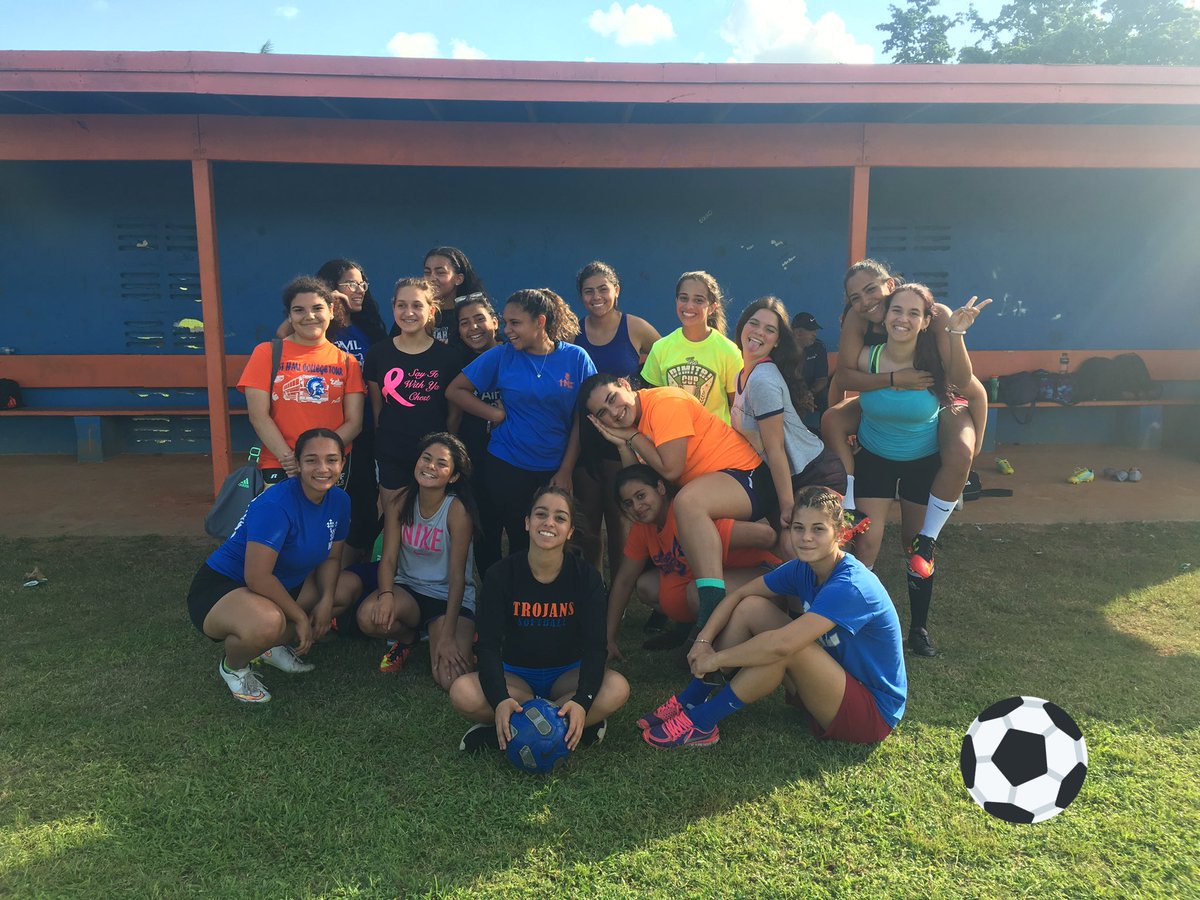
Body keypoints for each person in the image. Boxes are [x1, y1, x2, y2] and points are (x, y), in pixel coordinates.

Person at [638, 486, 907, 749]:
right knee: (751, 607)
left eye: (818, 529)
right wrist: (703, 641)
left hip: (871, 714)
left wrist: (717, 659)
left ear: (839, 534)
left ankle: (702, 723)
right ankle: (691, 699)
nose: (806, 538)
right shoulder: (802, 568)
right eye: (798, 528)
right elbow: (738, 595)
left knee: (786, 648)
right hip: (828, 683)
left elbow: (782, 645)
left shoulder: (850, 585)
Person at [831, 283, 987, 657]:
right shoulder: (867, 357)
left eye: (914, 313)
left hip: (922, 461)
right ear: (884, 317)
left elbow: (971, 387)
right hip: (875, 458)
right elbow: (842, 381)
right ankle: (857, 623)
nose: (903, 318)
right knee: (865, 543)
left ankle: (918, 628)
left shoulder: (933, 362)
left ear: (925, 321)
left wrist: (957, 333)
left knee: (914, 547)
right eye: (897, 310)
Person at [582, 374, 772, 632]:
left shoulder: (663, 403)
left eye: (612, 398)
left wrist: (633, 436)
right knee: (667, 551)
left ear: (625, 384)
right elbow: (637, 481)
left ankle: (711, 604)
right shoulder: (636, 423)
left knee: (686, 504)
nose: (614, 412)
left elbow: (671, 471)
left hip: (745, 476)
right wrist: (624, 444)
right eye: (603, 412)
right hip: (710, 494)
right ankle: (694, 621)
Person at [449, 487, 630, 753]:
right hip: (516, 677)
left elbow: (595, 646)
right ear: (527, 522)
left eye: (560, 518)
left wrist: (582, 700)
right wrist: (500, 699)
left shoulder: (585, 577)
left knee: (617, 687)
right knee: (462, 691)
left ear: (570, 531)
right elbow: (487, 645)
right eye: (541, 514)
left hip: (567, 676)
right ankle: (571, 726)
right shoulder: (501, 574)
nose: (549, 523)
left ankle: (510, 731)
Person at [185, 428, 351, 703]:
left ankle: (269, 647)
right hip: (224, 586)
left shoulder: (341, 501)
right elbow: (257, 577)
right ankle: (234, 667)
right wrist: (300, 617)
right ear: (297, 464)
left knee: (345, 590)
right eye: (311, 460)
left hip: (281, 584)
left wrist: (326, 601)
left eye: (331, 460)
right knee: (268, 622)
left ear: (342, 463)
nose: (323, 469)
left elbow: (333, 558)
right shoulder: (276, 504)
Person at [447, 289, 596, 573]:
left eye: (515, 323)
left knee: (555, 540)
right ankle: (509, 593)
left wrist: (566, 470)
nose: (507, 330)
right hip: (507, 464)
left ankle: (552, 593)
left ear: (540, 321)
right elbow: (455, 390)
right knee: (518, 537)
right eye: (505, 323)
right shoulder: (502, 356)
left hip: (555, 468)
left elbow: (582, 418)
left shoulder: (576, 358)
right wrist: (495, 414)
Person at [345, 433, 479, 690]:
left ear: (453, 476)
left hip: (446, 597)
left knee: (450, 680)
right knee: (368, 617)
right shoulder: (399, 501)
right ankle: (409, 638)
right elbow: (389, 558)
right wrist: (386, 595)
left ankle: (461, 637)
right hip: (408, 590)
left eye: (441, 463)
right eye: (426, 458)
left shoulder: (457, 510)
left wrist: (448, 636)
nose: (430, 466)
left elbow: (457, 576)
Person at [276, 259, 388, 564]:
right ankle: (317, 564)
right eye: (350, 284)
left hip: (360, 430)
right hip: (323, 433)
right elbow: (281, 336)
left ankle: (353, 567)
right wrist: (326, 300)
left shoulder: (369, 327)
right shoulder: (319, 327)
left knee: (363, 504)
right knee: (322, 501)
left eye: (362, 283)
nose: (359, 290)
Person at [607, 464, 780, 659]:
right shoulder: (643, 529)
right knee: (647, 585)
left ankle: (715, 642)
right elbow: (624, 581)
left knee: (698, 592)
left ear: (660, 488)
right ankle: (689, 630)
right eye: (628, 503)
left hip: (762, 574)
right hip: (722, 579)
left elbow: (764, 535)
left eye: (641, 496)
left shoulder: (686, 514)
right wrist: (608, 639)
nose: (637, 507)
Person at [572, 260, 661, 580]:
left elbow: (665, 358)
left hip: (623, 436)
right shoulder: (572, 331)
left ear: (617, 291)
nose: (596, 297)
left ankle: (619, 591)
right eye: (588, 291)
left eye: (603, 289)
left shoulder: (635, 327)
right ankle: (592, 585)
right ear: (581, 296)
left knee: (619, 516)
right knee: (587, 517)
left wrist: (642, 391)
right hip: (584, 436)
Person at [732, 297, 847, 533]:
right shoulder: (742, 375)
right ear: (742, 326)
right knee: (785, 548)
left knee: (800, 545)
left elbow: (775, 448)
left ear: (777, 341)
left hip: (814, 473)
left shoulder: (763, 380)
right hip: (785, 477)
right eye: (754, 323)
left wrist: (786, 505)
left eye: (769, 329)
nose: (759, 332)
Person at [241, 276, 365, 485]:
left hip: (328, 466)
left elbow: (354, 423)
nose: (310, 316)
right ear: (289, 316)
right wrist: (290, 459)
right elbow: (258, 416)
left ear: (331, 311)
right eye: (299, 310)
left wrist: (319, 458)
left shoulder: (347, 361)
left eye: (317, 308)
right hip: (280, 462)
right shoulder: (266, 353)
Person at [363, 278, 463, 507]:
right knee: (393, 517)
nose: (409, 312)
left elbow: (454, 414)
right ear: (393, 308)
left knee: (430, 517)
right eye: (402, 305)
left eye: (417, 305)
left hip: (434, 456)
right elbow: (378, 409)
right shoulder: (378, 354)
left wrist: (444, 448)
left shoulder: (448, 357)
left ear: (431, 310)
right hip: (392, 452)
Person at [641, 270, 741, 424]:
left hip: (717, 437)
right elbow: (654, 403)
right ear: (676, 301)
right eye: (684, 298)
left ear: (712, 307)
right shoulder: (660, 348)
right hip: (673, 435)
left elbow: (738, 409)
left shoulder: (729, 351)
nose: (689, 306)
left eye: (698, 300)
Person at [449, 292, 504, 572]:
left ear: (495, 321)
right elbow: (454, 414)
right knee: (485, 528)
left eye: (479, 319)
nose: (473, 328)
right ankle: (492, 584)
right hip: (475, 456)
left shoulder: (513, 354)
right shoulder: (457, 363)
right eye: (464, 323)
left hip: (513, 456)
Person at [424, 246, 485, 343]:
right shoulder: (419, 313)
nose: (432, 278)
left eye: (440, 272)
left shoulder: (473, 314)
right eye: (427, 272)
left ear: (458, 279)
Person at [790, 311, 829, 431]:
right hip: (790, 391)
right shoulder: (783, 349)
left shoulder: (818, 347)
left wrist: (809, 394)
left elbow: (822, 379)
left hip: (811, 391)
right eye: (811, 330)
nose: (815, 334)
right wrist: (799, 395)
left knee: (826, 396)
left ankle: (824, 432)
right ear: (798, 333)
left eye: (815, 330)